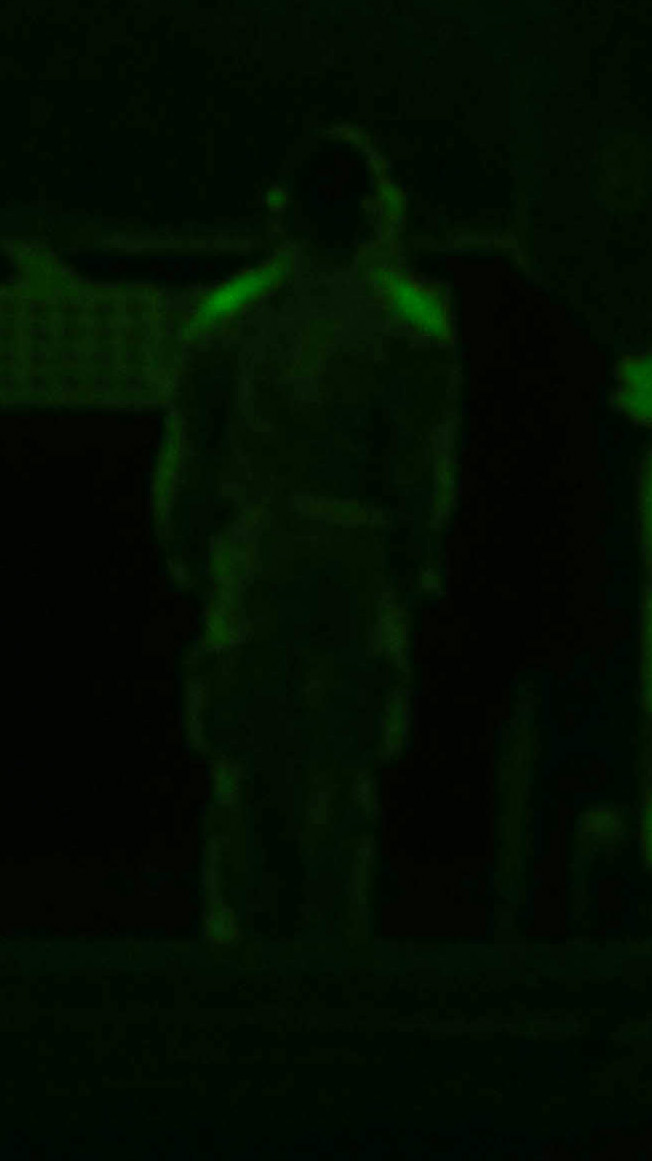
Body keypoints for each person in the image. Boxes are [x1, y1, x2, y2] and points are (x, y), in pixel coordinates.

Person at [155, 125, 460, 942]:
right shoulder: (409, 323)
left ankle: (243, 940)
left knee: (245, 768)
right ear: (375, 214)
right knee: (345, 772)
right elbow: (419, 471)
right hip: (358, 554)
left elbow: (189, 456)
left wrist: (186, 549)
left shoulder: (229, 317)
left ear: (283, 212)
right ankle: (336, 944)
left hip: (256, 550)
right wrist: (415, 562)